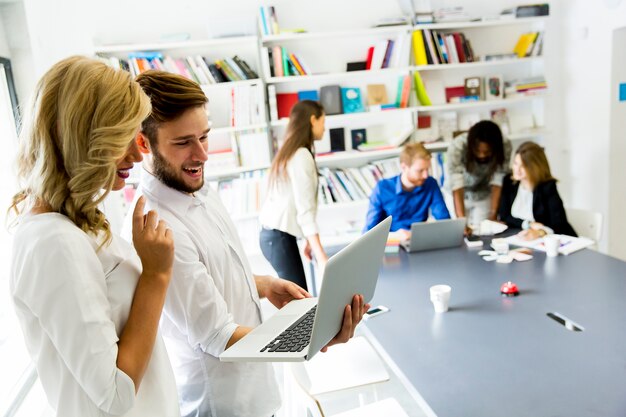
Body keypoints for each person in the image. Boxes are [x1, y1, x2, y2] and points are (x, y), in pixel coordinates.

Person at [124, 71, 367, 417]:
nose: (202, 155)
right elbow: (218, 337)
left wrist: (263, 284)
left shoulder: (198, 188)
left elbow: (209, 271)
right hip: (225, 406)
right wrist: (313, 337)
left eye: (205, 137)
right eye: (183, 143)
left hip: (256, 394)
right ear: (143, 144)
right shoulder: (157, 228)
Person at [8, 56, 179, 417]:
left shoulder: (70, 225)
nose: (136, 152)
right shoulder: (54, 241)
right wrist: (156, 275)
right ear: (76, 134)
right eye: (121, 136)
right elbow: (116, 395)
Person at [258, 100, 328, 291]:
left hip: (274, 235)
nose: (325, 127)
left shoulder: (292, 151)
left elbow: (297, 204)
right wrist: (321, 256)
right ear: (313, 120)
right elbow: (305, 210)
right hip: (278, 237)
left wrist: (308, 241)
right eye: (323, 120)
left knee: (299, 296)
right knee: (300, 299)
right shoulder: (301, 155)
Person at [363, 142, 450, 240]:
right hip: (392, 242)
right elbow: (368, 233)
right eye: (420, 171)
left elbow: (445, 221)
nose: (425, 175)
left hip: (421, 240)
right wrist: (395, 236)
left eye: (427, 170)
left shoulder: (430, 183)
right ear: (404, 167)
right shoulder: (382, 188)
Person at [498, 141, 577, 240]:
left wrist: (540, 232)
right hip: (520, 238)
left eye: (523, 166)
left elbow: (559, 223)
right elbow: (504, 215)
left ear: (535, 167)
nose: (517, 170)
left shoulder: (548, 187)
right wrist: (528, 224)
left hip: (549, 241)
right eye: (515, 163)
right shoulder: (509, 182)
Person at [447, 120, 512, 229]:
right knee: (458, 231)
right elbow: (457, 184)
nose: (482, 155)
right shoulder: (457, 146)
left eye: (487, 152)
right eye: (477, 151)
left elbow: (498, 181)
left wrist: (493, 216)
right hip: (458, 194)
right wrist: (461, 222)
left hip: (483, 193)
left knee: (484, 231)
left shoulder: (504, 145)